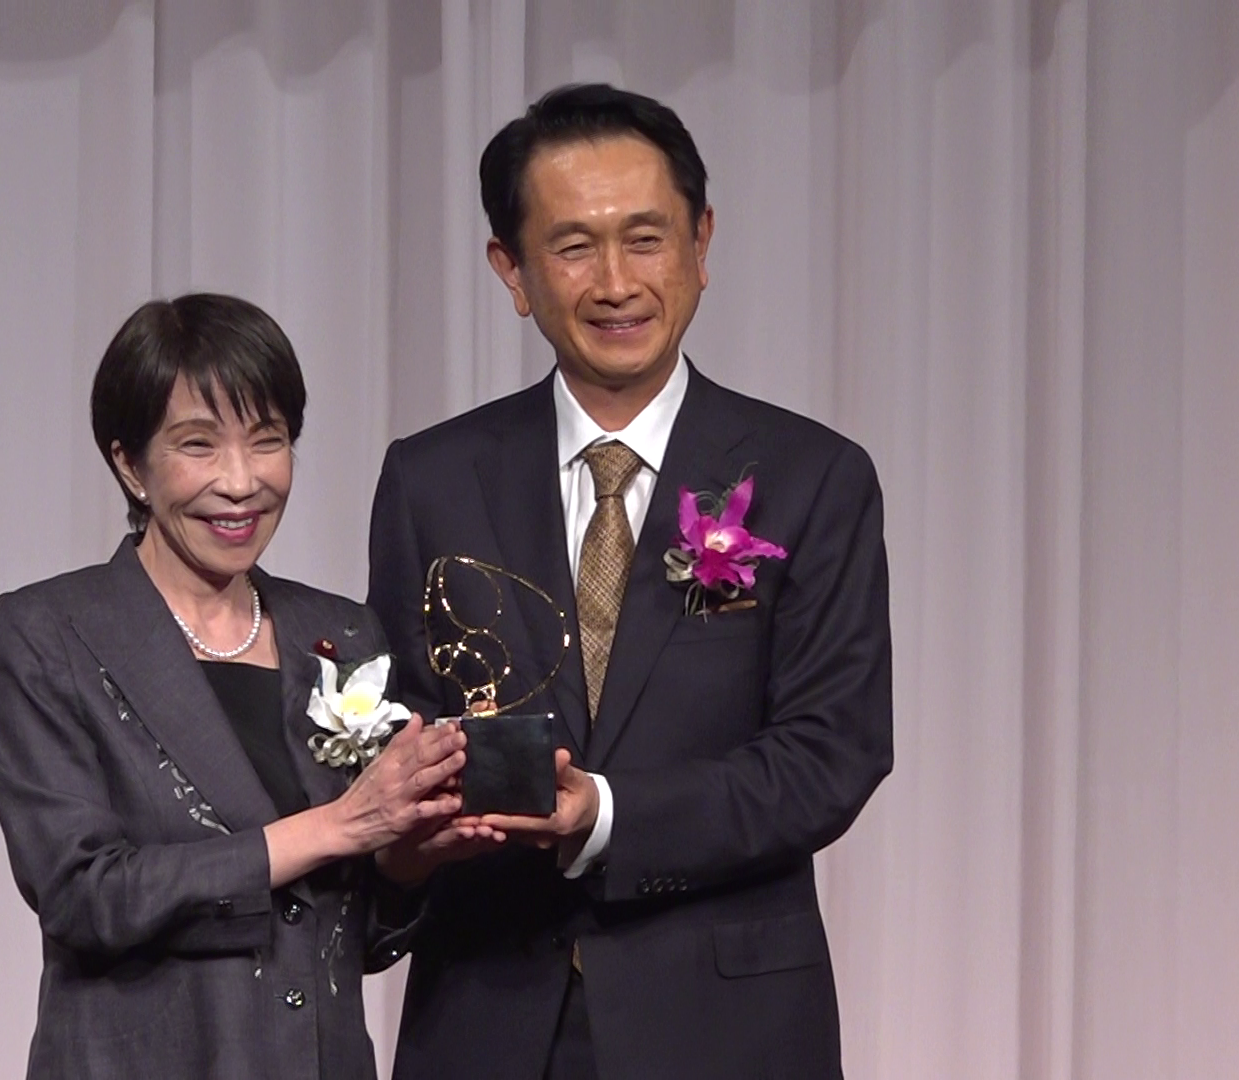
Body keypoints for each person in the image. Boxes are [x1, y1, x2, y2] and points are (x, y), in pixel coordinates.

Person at [366, 84, 893, 1079]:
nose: (615, 281)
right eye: (572, 247)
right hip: (487, 1012)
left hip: (728, 1025)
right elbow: (407, 721)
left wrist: (604, 813)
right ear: (512, 271)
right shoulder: (431, 478)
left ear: (702, 244)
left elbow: (833, 753)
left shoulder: (811, 477)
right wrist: (411, 822)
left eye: (644, 239)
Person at [0, 293, 471, 1079]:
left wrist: (407, 857)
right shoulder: (46, 633)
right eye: (198, 445)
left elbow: (355, 935)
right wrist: (339, 826)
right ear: (129, 464)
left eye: (267, 442)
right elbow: (85, 894)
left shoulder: (340, 635)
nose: (241, 482)